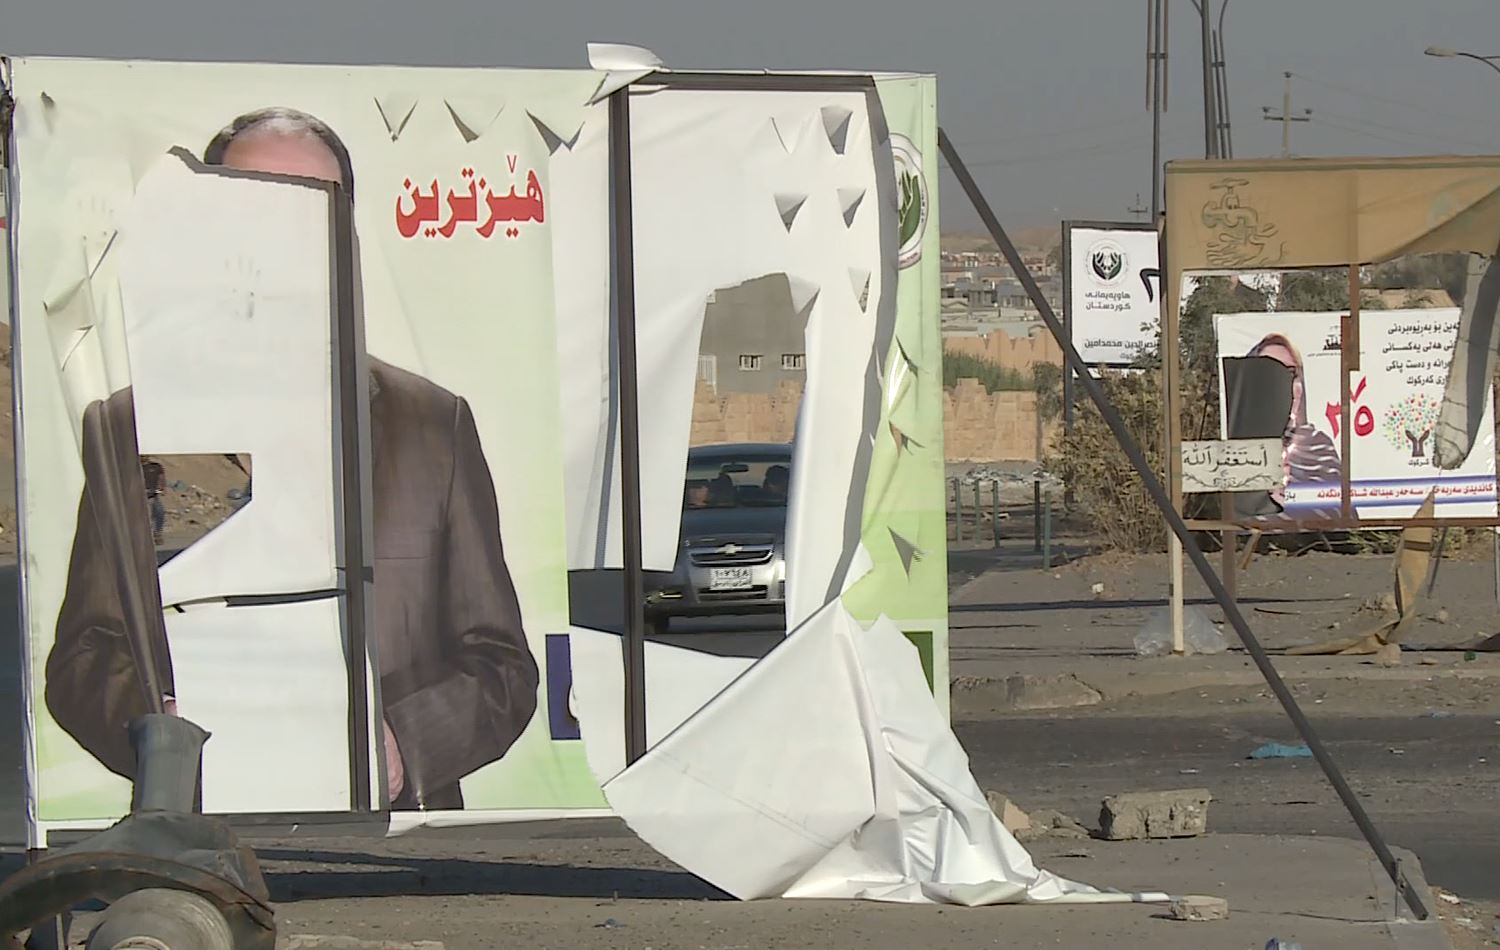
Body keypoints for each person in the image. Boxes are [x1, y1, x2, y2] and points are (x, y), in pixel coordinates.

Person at [46, 107, 539, 811]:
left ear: (347, 233)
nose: (287, 229)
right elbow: (85, 655)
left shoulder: (431, 424)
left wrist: (402, 748)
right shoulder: (136, 425)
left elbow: (501, 667)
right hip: (199, 833)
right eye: (258, 204)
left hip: (394, 844)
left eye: (314, 207)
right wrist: (162, 738)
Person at [1244, 333, 1341, 515]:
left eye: (1291, 373)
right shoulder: (1238, 449)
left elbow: (1337, 515)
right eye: (1270, 373)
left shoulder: (1317, 445)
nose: (1284, 383)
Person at [141, 457, 167, 546]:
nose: (144, 457)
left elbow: (161, 478)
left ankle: (157, 533)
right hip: (139, 496)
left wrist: (162, 488)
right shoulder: (134, 468)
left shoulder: (156, 466)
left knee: (160, 511)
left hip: (153, 495)